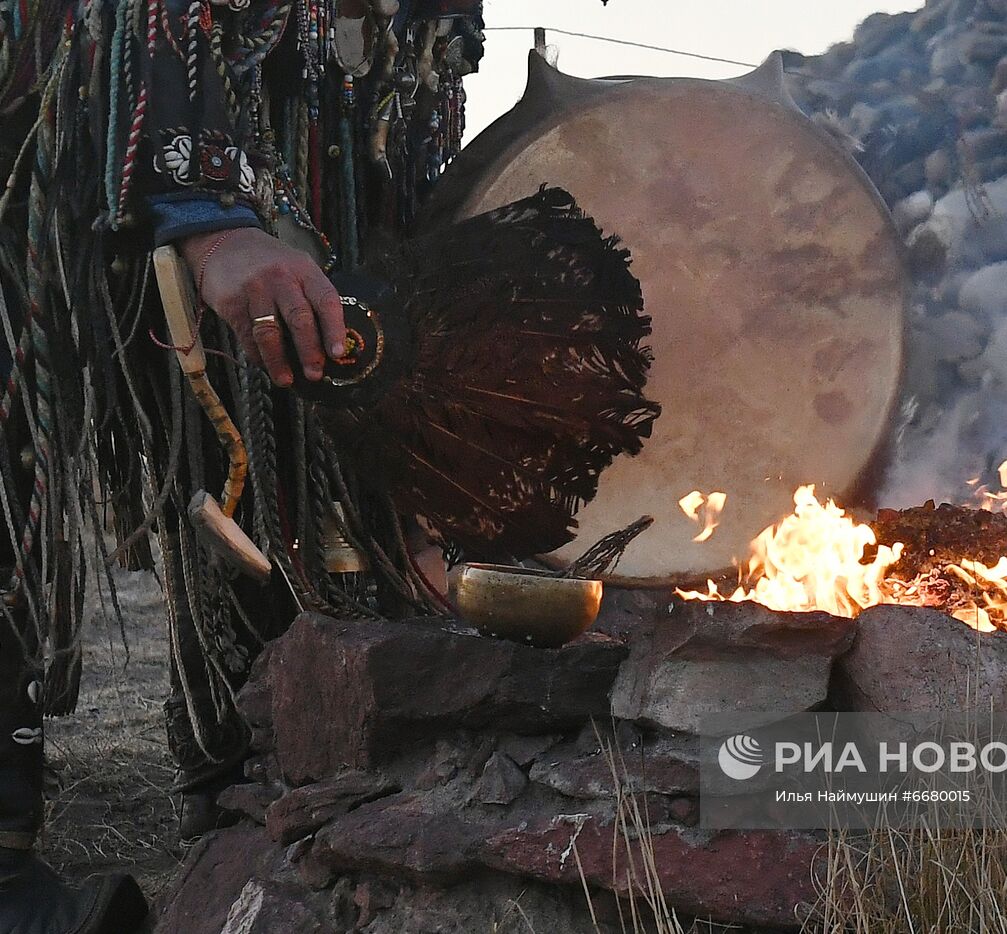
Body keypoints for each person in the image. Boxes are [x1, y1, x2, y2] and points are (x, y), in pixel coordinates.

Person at [0, 0, 611, 929]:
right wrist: (208, 217)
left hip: (305, 145)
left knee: (287, 440)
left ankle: (253, 795)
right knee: (13, 484)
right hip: (62, 137)